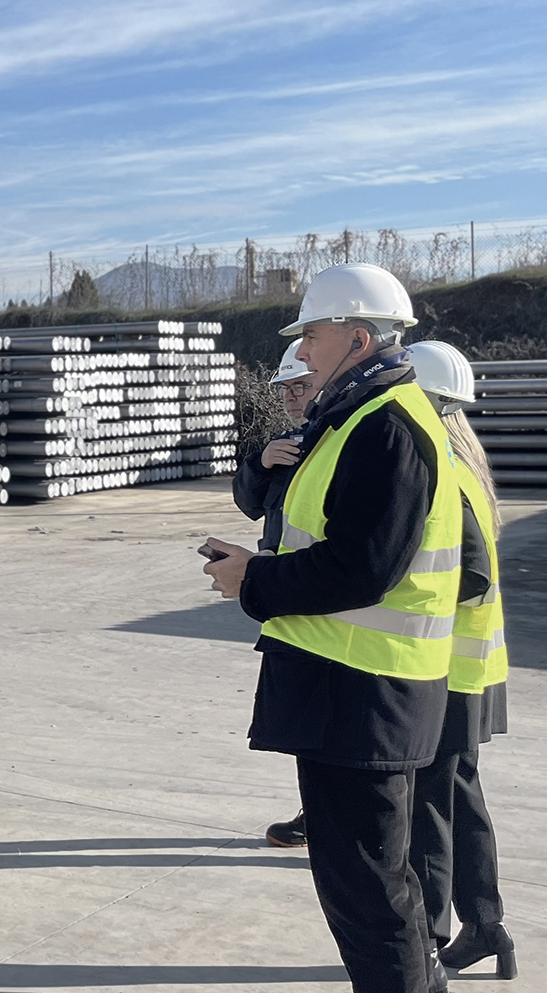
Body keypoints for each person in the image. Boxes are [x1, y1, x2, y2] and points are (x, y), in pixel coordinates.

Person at [202, 262, 463, 993]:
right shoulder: (360, 416)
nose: (302, 352)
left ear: (357, 338)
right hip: (352, 692)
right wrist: (257, 566)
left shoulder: (387, 426)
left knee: (370, 894)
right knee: (372, 886)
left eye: (312, 335)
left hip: (364, 696)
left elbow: (362, 568)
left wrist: (253, 579)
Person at [402, 341, 517, 980]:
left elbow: (468, 574)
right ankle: (486, 924)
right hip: (472, 669)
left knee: (430, 807)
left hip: (445, 671)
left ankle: (429, 937)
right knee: (461, 796)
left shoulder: (441, 467)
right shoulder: (468, 465)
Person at [231, 340, 318, 848]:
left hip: (318, 598)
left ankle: (326, 817)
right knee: (307, 726)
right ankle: (317, 813)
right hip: (288, 597)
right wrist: (261, 462)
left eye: (301, 386)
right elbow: (249, 502)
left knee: (326, 728)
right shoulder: (287, 443)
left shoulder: (342, 444)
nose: (290, 396)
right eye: (285, 388)